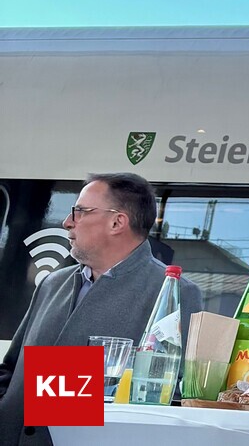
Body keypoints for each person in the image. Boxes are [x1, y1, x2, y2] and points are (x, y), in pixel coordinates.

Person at [0, 173, 202, 445]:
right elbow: (11, 369)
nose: (67, 222)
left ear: (117, 221)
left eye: (81, 211)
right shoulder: (53, 282)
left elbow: (168, 394)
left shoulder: (174, 292)